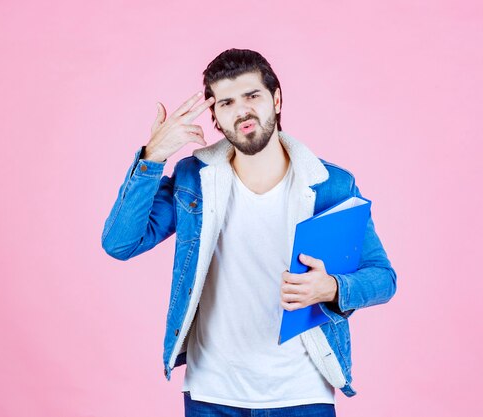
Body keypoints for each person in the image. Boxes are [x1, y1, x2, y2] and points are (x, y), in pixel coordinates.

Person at [101, 48, 397, 416]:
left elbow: (383, 278)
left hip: (301, 394)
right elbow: (120, 243)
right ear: (215, 117)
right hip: (213, 394)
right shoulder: (194, 179)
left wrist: (333, 288)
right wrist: (153, 156)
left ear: (276, 99)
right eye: (226, 103)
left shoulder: (331, 185)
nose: (241, 111)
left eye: (252, 96)